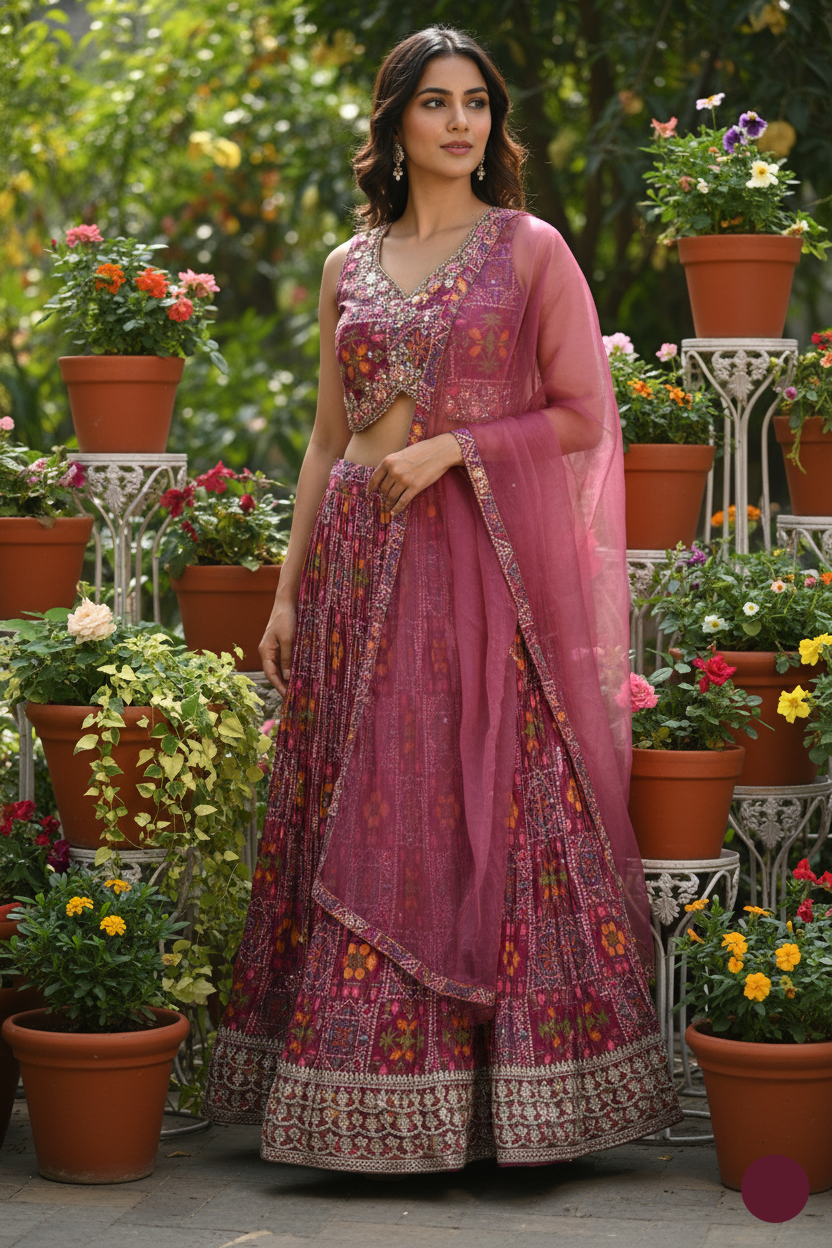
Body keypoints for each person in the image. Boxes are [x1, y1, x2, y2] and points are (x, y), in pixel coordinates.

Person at [204, 25, 682, 1172]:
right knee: (361, 805)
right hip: (357, 572)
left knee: (484, 808)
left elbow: (580, 413)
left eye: (475, 102)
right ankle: (361, 1104)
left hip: (478, 570)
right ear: (396, 123)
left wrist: (458, 447)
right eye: (435, 102)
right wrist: (283, 593)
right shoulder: (345, 266)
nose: (460, 122)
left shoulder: (528, 250)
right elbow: (326, 443)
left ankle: (512, 1107)